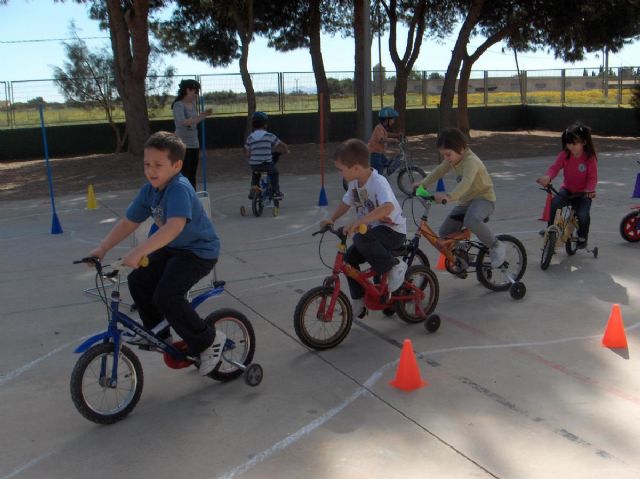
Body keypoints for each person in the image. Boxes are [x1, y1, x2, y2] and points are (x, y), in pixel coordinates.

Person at [87, 131, 225, 376]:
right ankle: (158, 335)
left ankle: (208, 340)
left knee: (167, 295)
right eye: (147, 164)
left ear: (177, 165)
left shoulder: (179, 188)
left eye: (158, 165)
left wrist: (139, 250)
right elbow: (129, 222)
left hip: (198, 252)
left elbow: (174, 226)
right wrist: (102, 248)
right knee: (138, 280)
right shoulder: (149, 190)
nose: (151, 170)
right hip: (173, 249)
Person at [322, 138, 408, 318]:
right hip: (372, 233)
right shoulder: (354, 184)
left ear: (355, 168)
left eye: (341, 169)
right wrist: (331, 219)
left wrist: (361, 222)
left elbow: (387, 207)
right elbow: (346, 203)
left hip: (392, 231)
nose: (340, 173)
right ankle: (359, 301)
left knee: (361, 237)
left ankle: (394, 266)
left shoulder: (378, 182)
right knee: (348, 259)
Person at [415, 127, 506, 268]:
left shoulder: (471, 161)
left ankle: (496, 245)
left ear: (462, 149)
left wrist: (448, 197)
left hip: (484, 199)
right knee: (445, 233)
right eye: (443, 155)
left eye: (448, 155)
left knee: (471, 220)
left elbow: (466, 183)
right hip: (466, 202)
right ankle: (463, 255)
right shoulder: (454, 159)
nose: (446, 158)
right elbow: (439, 171)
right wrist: (423, 184)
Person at [537, 121, 598, 248]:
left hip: (583, 193)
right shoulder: (565, 155)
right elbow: (554, 168)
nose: (571, 147)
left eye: (574, 143)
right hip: (567, 189)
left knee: (583, 215)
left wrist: (590, 190)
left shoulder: (589, 158)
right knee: (555, 204)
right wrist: (548, 177)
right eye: (568, 143)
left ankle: (582, 236)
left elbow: (592, 178)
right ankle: (551, 229)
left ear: (584, 142)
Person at [171, 79, 211, 189]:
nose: (196, 95)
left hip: (194, 142)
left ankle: (192, 195)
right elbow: (182, 122)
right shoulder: (178, 105)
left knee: (192, 173)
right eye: (195, 91)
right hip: (182, 143)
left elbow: (194, 121)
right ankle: (182, 195)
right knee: (184, 172)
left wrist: (202, 116)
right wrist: (198, 117)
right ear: (188, 90)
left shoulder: (193, 104)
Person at [244, 111, 289, 200]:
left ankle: (253, 190)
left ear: (253, 124)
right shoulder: (269, 136)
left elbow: (247, 153)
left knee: (255, 174)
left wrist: (251, 156)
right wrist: (286, 151)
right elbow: (283, 145)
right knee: (275, 173)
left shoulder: (250, 137)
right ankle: (276, 192)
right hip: (267, 164)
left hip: (255, 165)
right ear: (265, 124)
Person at [367, 107, 403, 175]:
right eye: (392, 119)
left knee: (388, 163)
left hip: (380, 154)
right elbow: (382, 140)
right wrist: (394, 140)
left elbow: (387, 134)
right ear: (387, 120)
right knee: (378, 174)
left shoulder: (382, 128)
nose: (393, 121)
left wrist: (397, 135)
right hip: (375, 154)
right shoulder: (378, 128)